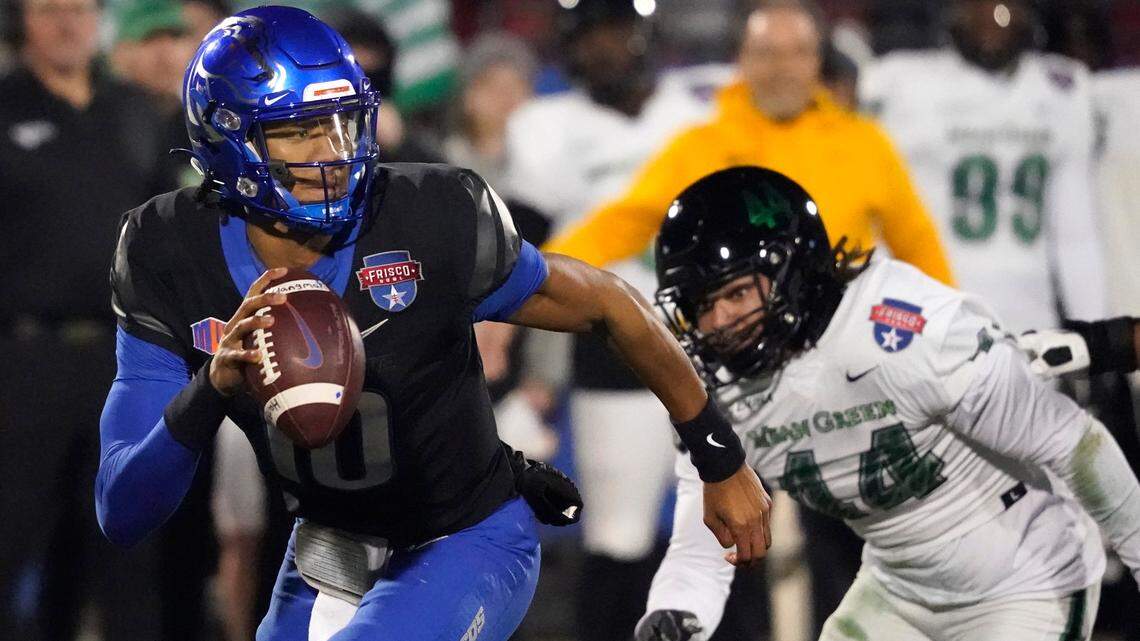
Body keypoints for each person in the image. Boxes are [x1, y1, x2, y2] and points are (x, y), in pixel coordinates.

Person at [94, 8, 772, 641]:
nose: (333, 152)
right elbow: (123, 508)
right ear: (227, 141)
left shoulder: (428, 214)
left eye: (342, 122)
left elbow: (607, 303)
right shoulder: (167, 251)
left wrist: (719, 454)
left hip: (466, 534)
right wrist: (211, 386)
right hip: (328, 550)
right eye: (299, 130)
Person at [632, 166, 1140, 641]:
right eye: (701, 305)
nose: (718, 323)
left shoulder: (898, 331)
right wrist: (675, 610)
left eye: (737, 293)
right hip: (899, 588)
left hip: (1023, 580)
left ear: (795, 269)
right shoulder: (710, 394)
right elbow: (708, 541)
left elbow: (1073, 442)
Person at [501, 3, 730, 638]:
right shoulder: (547, 127)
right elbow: (519, 253)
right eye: (590, 37)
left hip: (713, 341)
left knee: (731, 527)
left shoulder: (700, 114)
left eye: (616, 33)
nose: (605, 50)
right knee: (618, 540)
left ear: (644, 35)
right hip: (613, 350)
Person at [543, 0, 954, 287]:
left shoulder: (866, 143)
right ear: (742, 60)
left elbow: (919, 246)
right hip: (741, 368)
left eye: (798, 53)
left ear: (816, 62)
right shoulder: (700, 146)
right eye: (767, 53)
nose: (783, 69)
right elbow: (616, 226)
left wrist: (957, 326)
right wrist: (531, 276)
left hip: (848, 362)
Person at [0, 1, 168, 640]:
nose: (66, 23)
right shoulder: (6, 103)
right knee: (11, 538)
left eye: (79, 8)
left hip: (122, 362)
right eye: (49, 9)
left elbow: (163, 237)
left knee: (127, 552)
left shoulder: (133, 112)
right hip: (22, 361)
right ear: (23, 22)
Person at [860, 0, 1106, 335]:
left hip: (1030, 318)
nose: (991, 18)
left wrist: (1095, 333)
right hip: (929, 311)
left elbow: (1076, 234)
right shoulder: (900, 83)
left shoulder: (1062, 86)